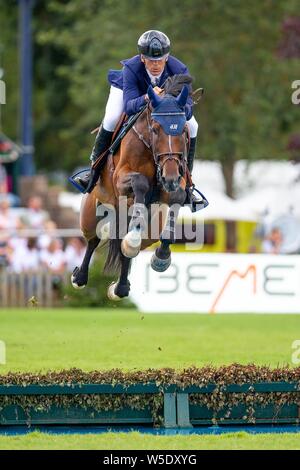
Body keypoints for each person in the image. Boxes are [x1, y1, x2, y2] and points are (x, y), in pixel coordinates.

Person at [75, 30, 202, 210]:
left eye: (160, 60)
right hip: (129, 93)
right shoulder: (132, 68)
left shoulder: (179, 69)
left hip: (166, 106)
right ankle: (94, 170)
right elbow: (129, 106)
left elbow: (188, 104)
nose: (156, 65)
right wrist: (147, 98)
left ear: (167, 57)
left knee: (193, 125)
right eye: (151, 60)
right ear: (142, 58)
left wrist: (178, 106)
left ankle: (188, 184)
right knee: (111, 118)